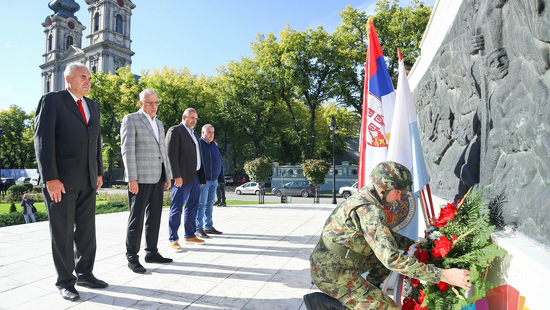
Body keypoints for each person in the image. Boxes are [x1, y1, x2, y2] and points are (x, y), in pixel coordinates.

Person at [305, 161, 471, 310]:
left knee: (380, 261)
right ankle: (331, 304)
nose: (399, 198)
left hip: (332, 262)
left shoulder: (367, 195)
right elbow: (391, 259)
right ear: (384, 187)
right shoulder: (370, 210)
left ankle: (367, 296)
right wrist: (444, 275)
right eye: (398, 192)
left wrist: (418, 246)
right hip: (333, 273)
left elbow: (387, 237)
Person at [34, 63, 106, 302]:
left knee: (86, 231)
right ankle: (65, 281)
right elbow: (43, 140)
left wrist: (98, 171)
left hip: (87, 179)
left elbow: (95, 142)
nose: (88, 81)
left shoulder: (92, 106)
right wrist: (50, 178)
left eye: (89, 78)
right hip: (61, 181)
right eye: (83, 77)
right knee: (62, 233)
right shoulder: (52, 101)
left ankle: (85, 273)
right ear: (68, 78)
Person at [120, 89, 174, 274]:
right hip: (140, 178)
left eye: (156, 102)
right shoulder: (131, 119)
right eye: (149, 103)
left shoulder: (159, 123)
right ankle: (132, 257)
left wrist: (167, 175)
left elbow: (163, 150)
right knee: (136, 218)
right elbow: (127, 150)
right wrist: (132, 178)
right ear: (140, 103)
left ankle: (151, 252)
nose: (154, 106)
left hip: (158, 177)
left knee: (155, 217)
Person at [166, 108, 207, 250]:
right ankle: (173, 239)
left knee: (192, 206)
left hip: (195, 176)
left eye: (196, 118)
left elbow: (198, 156)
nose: (194, 121)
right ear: (184, 117)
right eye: (191, 118)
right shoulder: (175, 131)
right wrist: (176, 175)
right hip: (181, 178)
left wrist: (201, 177)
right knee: (177, 208)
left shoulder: (194, 133)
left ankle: (190, 234)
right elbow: (171, 155)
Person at [195, 125, 224, 238]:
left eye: (212, 132)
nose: (211, 134)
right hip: (204, 180)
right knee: (201, 204)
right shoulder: (199, 144)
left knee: (210, 204)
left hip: (214, 180)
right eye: (209, 132)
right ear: (203, 132)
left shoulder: (213, 145)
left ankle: (208, 227)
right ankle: (198, 228)